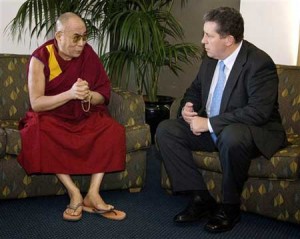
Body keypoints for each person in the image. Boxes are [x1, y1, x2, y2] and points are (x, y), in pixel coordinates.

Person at [156, 7, 287, 233]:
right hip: (216, 130)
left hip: (251, 132)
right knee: (166, 129)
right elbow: (195, 90)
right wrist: (188, 109)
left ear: (228, 39)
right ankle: (200, 197)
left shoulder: (259, 63)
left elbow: (258, 112)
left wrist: (207, 123)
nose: (202, 40)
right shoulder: (210, 58)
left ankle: (230, 208)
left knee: (232, 135)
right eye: (204, 34)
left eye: (209, 35)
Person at [17, 12, 127, 222]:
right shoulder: (41, 58)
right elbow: (37, 103)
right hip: (53, 115)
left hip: (82, 114)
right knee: (39, 131)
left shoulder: (88, 54)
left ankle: (93, 193)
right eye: (76, 38)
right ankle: (74, 192)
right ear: (59, 36)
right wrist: (70, 94)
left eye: (85, 37)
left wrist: (88, 95)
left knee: (111, 129)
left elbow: (103, 95)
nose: (82, 43)